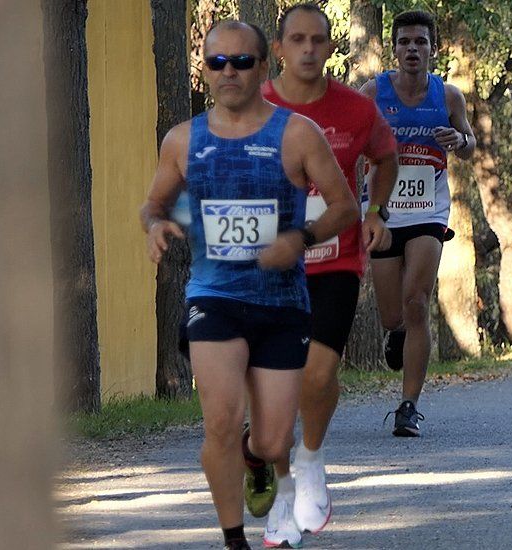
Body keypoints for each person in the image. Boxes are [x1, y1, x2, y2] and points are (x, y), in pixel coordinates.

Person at [139, 20, 358, 550]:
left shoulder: (296, 133)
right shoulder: (183, 140)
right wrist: (155, 225)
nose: (228, 72)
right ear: (206, 71)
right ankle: (234, 538)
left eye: (241, 62)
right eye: (217, 62)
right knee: (220, 419)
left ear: (263, 68)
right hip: (213, 297)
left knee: (273, 436)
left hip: (281, 302)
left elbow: (345, 207)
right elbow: (154, 203)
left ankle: (257, 457)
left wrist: (299, 238)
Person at [259, 4, 398, 547]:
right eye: (297, 40)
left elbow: (385, 159)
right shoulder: (255, 105)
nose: (309, 49)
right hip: (267, 265)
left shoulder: (355, 110)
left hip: (334, 260)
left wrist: (375, 212)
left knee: (316, 376)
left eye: (319, 40)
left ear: (330, 47)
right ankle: (283, 490)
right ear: (279, 49)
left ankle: (310, 458)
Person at [360, 10, 475, 438]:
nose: (412, 49)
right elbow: (350, 138)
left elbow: (469, 143)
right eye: (405, 42)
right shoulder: (374, 92)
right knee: (393, 314)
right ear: (395, 49)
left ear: (432, 48)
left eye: (420, 42)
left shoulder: (448, 97)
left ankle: (409, 406)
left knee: (417, 301)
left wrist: (458, 140)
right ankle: (398, 334)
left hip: (429, 209)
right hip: (384, 211)